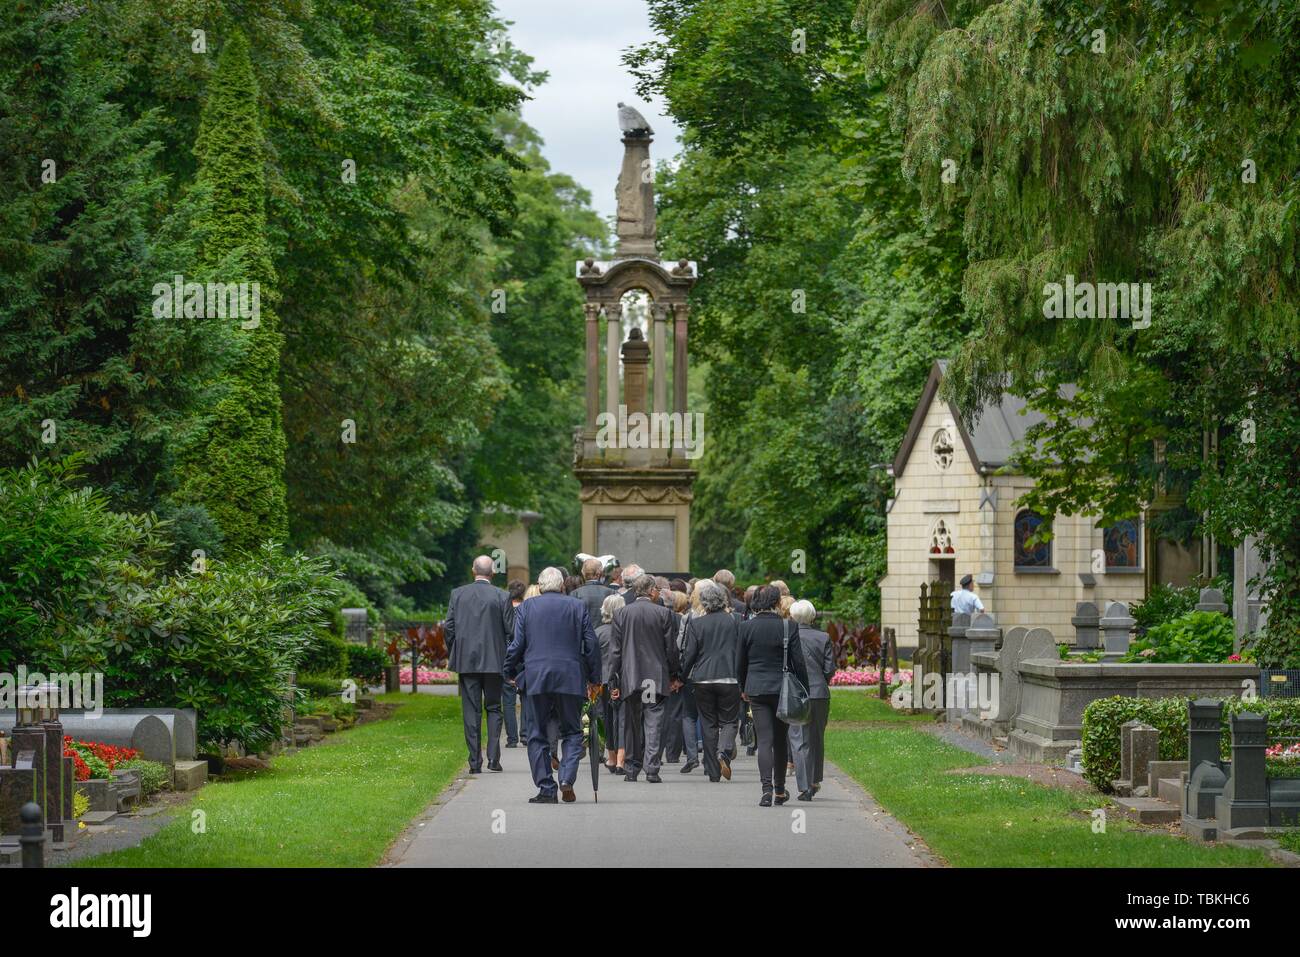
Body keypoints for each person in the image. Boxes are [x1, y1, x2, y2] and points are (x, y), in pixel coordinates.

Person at [503, 566, 600, 804]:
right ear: (563, 585)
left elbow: (517, 644)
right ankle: (566, 777)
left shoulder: (526, 608)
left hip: (537, 677)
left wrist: (509, 670)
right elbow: (591, 644)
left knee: (536, 733)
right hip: (570, 677)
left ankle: (546, 787)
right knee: (572, 731)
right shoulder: (577, 607)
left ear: (539, 584)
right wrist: (595, 678)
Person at [738, 585, 810, 806]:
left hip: (757, 688)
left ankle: (766, 790)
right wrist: (804, 688)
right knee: (780, 740)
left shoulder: (745, 627)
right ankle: (780, 789)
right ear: (777, 602)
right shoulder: (789, 627)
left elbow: (740, 662)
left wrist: (743, 687)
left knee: (764, 740)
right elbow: (798, 662)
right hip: (783, 689)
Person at [445, 556, 515, 774]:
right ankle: (494, 758)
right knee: (494, 708)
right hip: (495, 660)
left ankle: (475, 762)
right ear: (492, 573)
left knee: (471, 710)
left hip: (467, 661)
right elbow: (511, 631)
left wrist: (456, 651)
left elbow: (449, 628)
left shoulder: (457, 594)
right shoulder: (502, 596)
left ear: (472, 570)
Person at [608, 572, 680, 783]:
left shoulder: (621, 614)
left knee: (631, 723)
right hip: (654, 678)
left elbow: (615, 651)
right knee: (653, 722)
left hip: (631, 677)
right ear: (651, 591)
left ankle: (631, 768)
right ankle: (651, 767)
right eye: (656, 589)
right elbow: (671, 650)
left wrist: (613, 678)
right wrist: (675, 674)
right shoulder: (663, 613)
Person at [680, 580, 741, 783]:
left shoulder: (696, 624)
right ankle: (724, 751)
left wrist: (682, 676)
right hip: (730, 677)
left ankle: (713, 771)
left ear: (704, 603)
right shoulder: (735, 620)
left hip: (703, 679)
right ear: (723, 601)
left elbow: (690, 654)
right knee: (730, 720)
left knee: (708, 723)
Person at [787, 599, 835, 801]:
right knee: (816, 737)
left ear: (792, 616)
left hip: (797, 693)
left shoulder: (789, 637)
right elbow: (829, 669)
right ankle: (814, 780)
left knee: (799, 738)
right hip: (819, 693)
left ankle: (806, 785)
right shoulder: (823, 637)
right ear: (813, 616)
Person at [595, 592, 626, 773]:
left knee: (606, 718)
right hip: (623, 680)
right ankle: (622, 758)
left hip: (603, 681)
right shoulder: (625, 632)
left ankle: (612, 757)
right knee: (623, 718)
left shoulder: (598, 632)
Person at [501, 579, 527, 748]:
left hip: (507, 655)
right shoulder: (528, 608)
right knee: (525, 697)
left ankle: (511, 738)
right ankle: (525, 734)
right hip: (524, 657)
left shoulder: (504, 609)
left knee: (508, 700)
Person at [572, 558, 616, 628]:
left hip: (584, 637)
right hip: (606, 636)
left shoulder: (575, 594)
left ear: (583, 573)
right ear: (599, 574)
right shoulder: (611, 592)